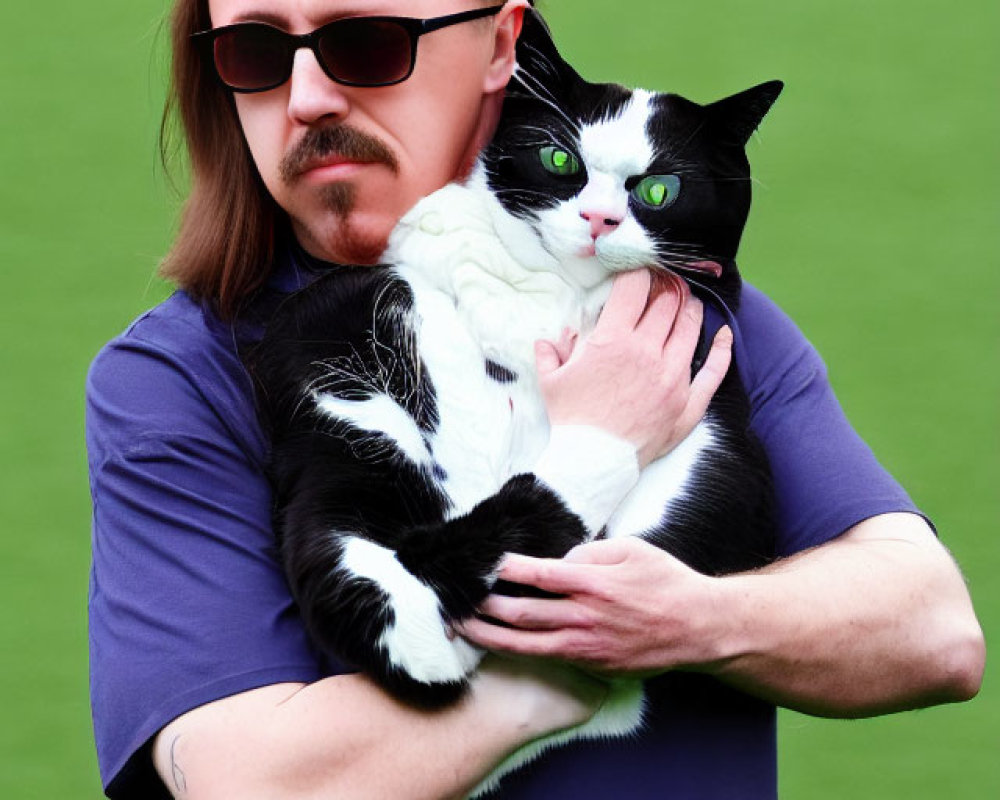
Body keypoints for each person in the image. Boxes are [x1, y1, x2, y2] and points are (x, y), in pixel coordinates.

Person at [86, 0, 985, 798]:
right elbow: (246, 785)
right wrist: (570, 640)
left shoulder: (674, 314)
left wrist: (695, 616)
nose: (308, 95)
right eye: (253, 52)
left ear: (497, 44)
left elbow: (932, 629)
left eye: (364, 43)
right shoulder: (181, 377)